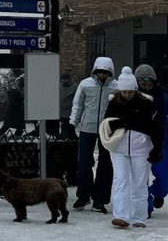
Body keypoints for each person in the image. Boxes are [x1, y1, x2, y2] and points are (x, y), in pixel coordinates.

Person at [101, 68, 162, 230]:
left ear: (135, 90)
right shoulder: (114, 103)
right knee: (120, 180)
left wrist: (157, 147)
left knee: (139, 182)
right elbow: (107, 122)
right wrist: (122, 124)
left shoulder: (146, 104)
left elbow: (156, 127)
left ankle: (138, 216)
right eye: (124, 92)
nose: (127, 95)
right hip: (119, 147)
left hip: (141, 148)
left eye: (130, 92)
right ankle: (120, 215)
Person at [69, 56, 115, 213]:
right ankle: (83, 196)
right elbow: (78, 105)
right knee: (84, 163)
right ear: (95, 71)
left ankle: (100, 199)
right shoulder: (85, 84)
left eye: (105, 72)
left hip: (107, 129)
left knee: (106, 164)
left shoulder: (115, 87)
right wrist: (72, 123)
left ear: (110, 72)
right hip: (87, 128)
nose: (102, 75)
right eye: (99, 72)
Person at [134, 65, 168, 211]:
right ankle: (145, 207)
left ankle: (157, 193)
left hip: (159, 140)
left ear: (153, 79)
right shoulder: (132, 95)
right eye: (140, 79)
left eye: (146, 78)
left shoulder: (162, 95)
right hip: (138, 140)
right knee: (141, 176)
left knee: (165, 177)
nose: (143, 82)